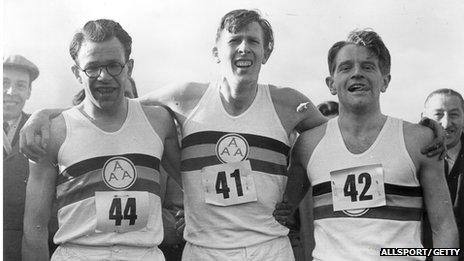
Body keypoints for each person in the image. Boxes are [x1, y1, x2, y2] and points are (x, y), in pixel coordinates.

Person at [19, 10, 445, 261]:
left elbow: (339, 137)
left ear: (267, 52)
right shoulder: (185, 98)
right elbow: (111, 102)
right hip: (203, 249)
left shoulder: (288, 104)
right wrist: (47, 112)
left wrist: (420, 128)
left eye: (253, 41)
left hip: (269, 247)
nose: (244, 48)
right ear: (216, 51)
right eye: (234, 40)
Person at [278, 29, 458, 260]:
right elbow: (280, 212)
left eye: (368, 66)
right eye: (346, 67)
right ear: (331, 84)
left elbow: (444, 227)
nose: (357, 73)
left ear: (385, 81)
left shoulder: (419, 141)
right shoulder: (308, 145)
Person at [22, 19, 181, 260]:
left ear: (130, 67)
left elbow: (194, 184)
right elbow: (34, 229)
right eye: (92, 67)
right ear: (77, 73)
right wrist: (41, 114)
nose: (104, 76)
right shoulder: (52, 133)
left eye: (114, 66)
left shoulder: (159, 122)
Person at [3, 54, 39, 261]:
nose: (11, 92)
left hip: (22, 248)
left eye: (20, 85)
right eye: (4, 83)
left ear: (28, 91)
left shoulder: (40, 131)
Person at [423, 88, 464, 261]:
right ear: (424, 117)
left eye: (454, 114)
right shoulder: (411, 157)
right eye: (438, 114)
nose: (446, 123)